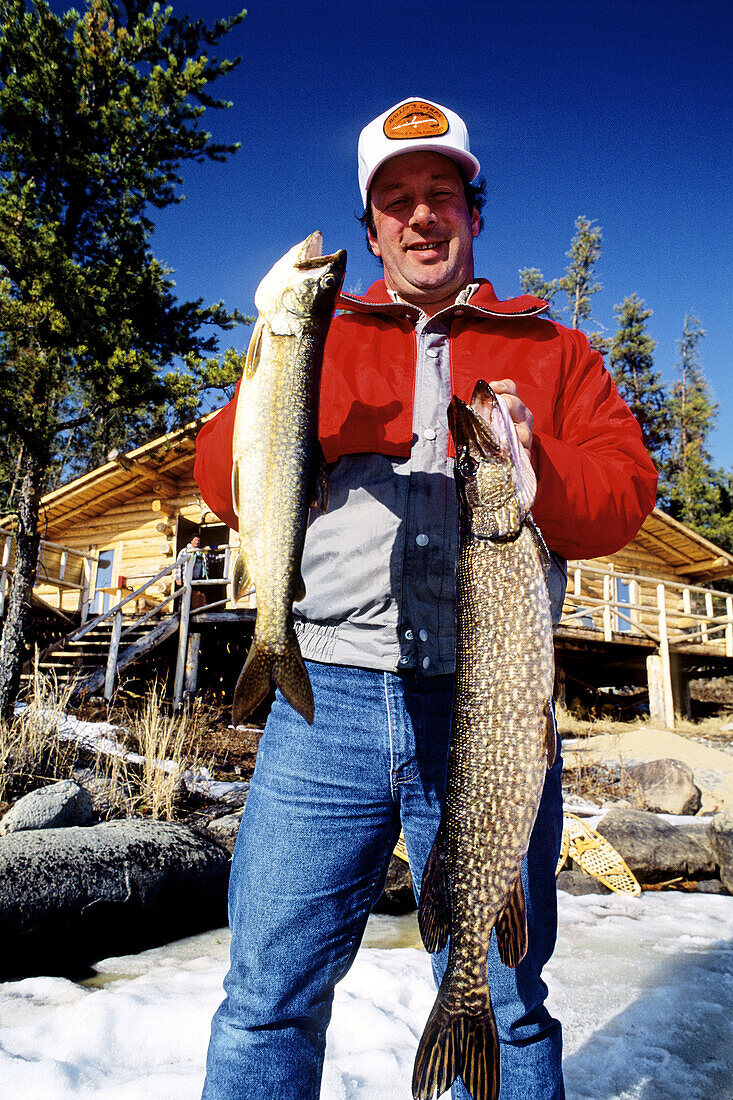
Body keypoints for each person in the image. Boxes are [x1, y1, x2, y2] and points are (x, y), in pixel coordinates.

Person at [194, 97, 658, 1100]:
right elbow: (216, 477)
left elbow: (622, 499)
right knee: (265, 993)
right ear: (371, 228)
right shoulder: (323, 331)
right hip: (324, 702)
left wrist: (536, 461)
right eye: (396, 200)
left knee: (507, 991)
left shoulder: (554, 350)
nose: (420, 216)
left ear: (473, 213)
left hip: (485, 711)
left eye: (440, 194)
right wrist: (281, 403)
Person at [175, 535, 208, 609]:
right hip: (187, 577)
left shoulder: (202, 552)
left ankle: (199, 611)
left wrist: (226, 554)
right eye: (195, 540)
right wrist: (177, 577)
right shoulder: (185, 551)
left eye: (198, 541)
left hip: (199, 577)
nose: (197, 542)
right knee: (185, 594)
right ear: (191, 541)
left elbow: (211, 559)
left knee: (199, 595)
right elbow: (178, 564)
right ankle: (182, 611)